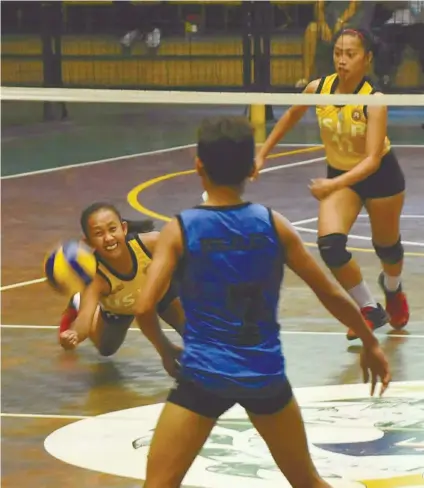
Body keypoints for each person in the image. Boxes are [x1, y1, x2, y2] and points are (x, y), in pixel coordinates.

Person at [133, 116, 391, 488]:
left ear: (198, 165)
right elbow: (331, 293)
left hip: (204, 376)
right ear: (252, 168)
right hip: (264, 376)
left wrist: (164, 349)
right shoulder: (274, 224)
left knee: (158, 484)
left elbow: (143, 308)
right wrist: (369, 343)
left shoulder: (181, 228)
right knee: (308, 482)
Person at [256, 28, 409, 341]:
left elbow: (371, 161)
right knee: (330, 245)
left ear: (366, 59)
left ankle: (392, 288)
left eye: (350, 54)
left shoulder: (374, 100)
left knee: (388, 249)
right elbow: (290, 116)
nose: (342, 60)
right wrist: (262, 155)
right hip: (341, 177)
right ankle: (369, 309)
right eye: (338, 53)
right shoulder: (319, 88)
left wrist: (331, 185)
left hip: (380, 179)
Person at [58, 202, 184, 358]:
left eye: (112, 229)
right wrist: (75, 334)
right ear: (88, 242)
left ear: (123, 228)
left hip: (162, 295)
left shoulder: (152, 243)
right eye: (98, 233)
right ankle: (77, 302)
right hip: (120, 308)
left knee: (194, 332)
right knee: (106, 349)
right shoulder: (95, 277)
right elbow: (84, 320)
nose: (108, 238)